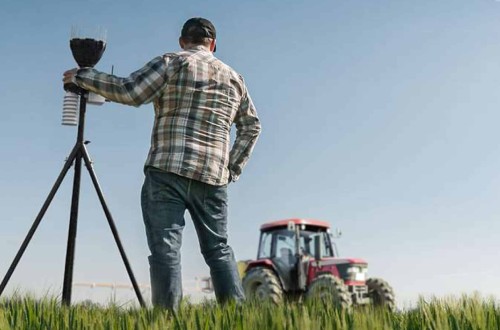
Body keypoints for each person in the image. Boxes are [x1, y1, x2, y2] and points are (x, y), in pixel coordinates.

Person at [63, 17, 261, 311]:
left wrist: (83, 76)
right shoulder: (235, 78)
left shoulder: (171, 62)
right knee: (218, 250)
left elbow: (130, 91)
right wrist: (231, 167)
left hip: (167, 171)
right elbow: (251, 126)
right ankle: (235, 318)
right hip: (213, 179)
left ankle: (167, 321)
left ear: (183, 41)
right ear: (213, 45)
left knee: (166, 251)